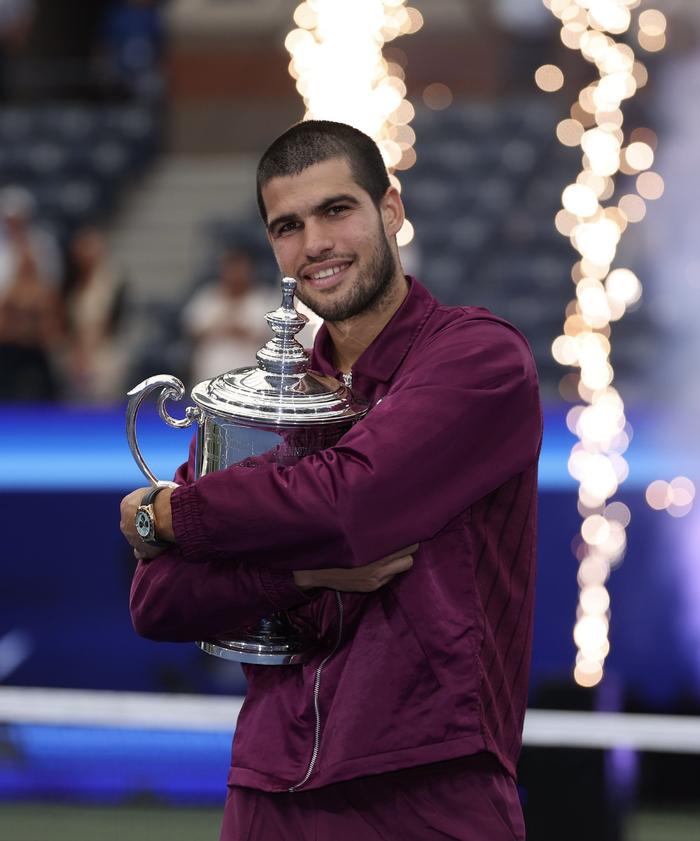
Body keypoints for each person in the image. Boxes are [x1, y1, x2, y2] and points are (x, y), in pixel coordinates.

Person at [120, 120, 542, 840]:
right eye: (288, 226)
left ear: (391, 210)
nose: (314, 242)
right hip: (266, 787)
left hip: (427, 781)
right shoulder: (270, 399)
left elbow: (348, 504)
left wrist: (167, 514)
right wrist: (301, 575)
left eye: (336, 210)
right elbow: (157, 600)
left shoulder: (479, 357)